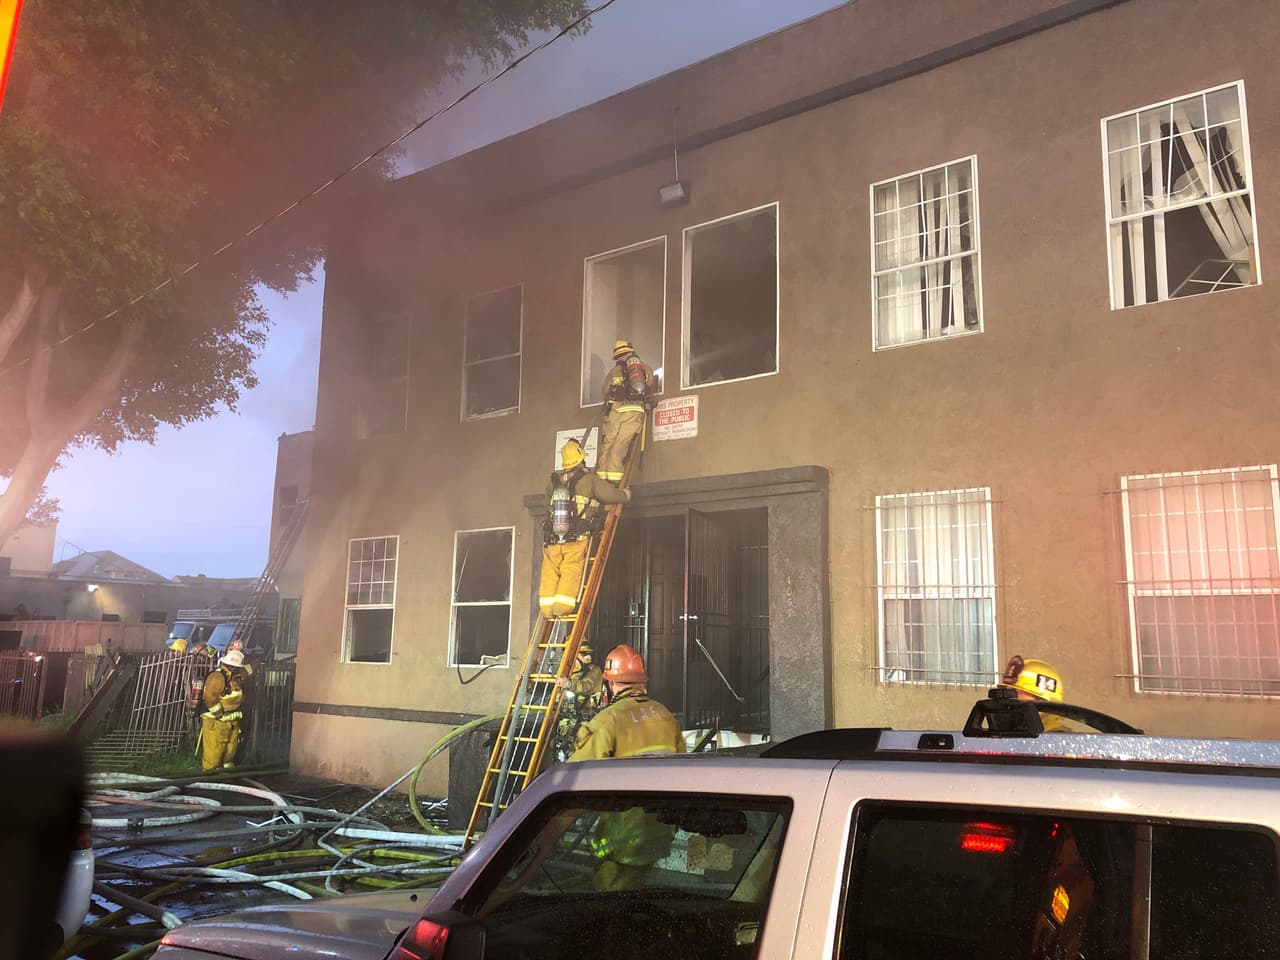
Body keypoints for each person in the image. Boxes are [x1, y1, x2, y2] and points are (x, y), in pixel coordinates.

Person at [569, 644, 684, 890]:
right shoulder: (665, 716)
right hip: (660, 833)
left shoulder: (608, 721)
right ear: (642, 682)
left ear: (611, 684)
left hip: (622, 840)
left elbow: (571, 782)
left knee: (612, 910)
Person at [540, 438, 630, 619]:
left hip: (552, 540)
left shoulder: (554, 481)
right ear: (580, 458)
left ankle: (547, 609)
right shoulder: (588, 480)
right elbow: (609, 495)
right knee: (570, 569)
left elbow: (545, 506)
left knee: (550, 572)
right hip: (576, 537)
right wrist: (625, 494)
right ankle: (562, 607)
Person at [596, 339, 656, 484]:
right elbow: (649, 384)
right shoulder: (644, 368)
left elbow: (604, 393)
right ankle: (614, 480)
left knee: (608, 443)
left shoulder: (613, 372)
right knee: (621, 444)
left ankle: (601, 479)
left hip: (615, 411)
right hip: (634, 410)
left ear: (617, 356)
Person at [198, 647, 249, 770]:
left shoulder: (236, 676)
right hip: (216, 721)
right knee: (215, 749)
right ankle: (210, 775)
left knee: (230, 749)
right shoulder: (217, 677)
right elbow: (210, 698)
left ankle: (227, 771)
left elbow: (248, 670)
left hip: (231, 719)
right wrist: (218, 714)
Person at [552, 643, 603, 761]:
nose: (586, 656)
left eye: (586, 653)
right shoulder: (566, 674)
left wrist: (569, 684)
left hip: (583, 728)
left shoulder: (594, 671)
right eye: (582, 653)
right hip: (564, 728)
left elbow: (586, 686)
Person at [999, 654, 1068, 731]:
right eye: (1007, 693)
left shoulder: (1057, 740)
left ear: (1043, 701)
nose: (1008, 699)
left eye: (1016, 693)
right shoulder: (1017, 734)